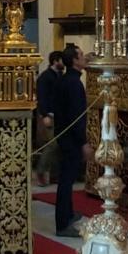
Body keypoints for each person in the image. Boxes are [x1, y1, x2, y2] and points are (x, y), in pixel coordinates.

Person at [53, 44, 94, 237]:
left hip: (63, 134)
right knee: (67, 180)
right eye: (81, 56)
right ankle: (62, 223)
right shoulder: (74, 84)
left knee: (66, 178)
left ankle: (68, 214)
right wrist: (83, 142)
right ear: (75, 61)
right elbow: (76, 116)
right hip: (70, 138)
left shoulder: (66, 80)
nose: (84, 58)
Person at [33, 50, 64, 187]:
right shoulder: (46, 77)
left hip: (59, 115)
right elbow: (42, 97)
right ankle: (41, 171)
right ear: (56, 61)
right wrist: (44, 114)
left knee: (59, 145)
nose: (64, 63)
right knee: (52, 144)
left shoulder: (59, 75)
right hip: (49, 115)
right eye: (62, 60)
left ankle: (55, 175)